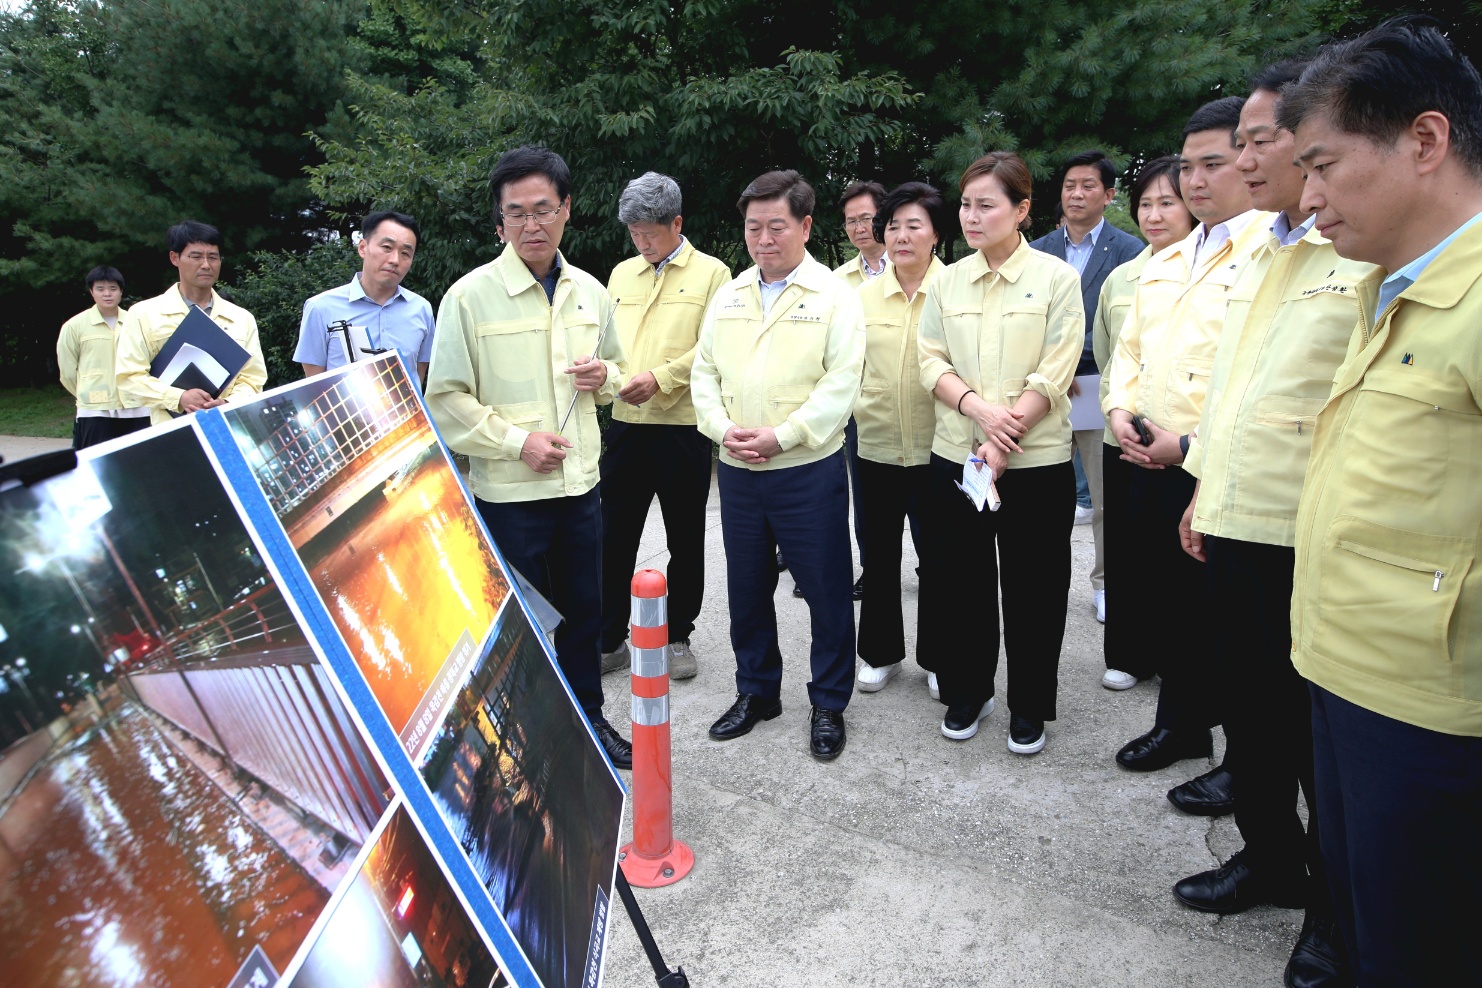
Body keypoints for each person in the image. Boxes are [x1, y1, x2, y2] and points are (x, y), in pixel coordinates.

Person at [1278, 18, 1482, 983]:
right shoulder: (1390, 290)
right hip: (1343, 674)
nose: (1306, 197)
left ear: (1426, 141)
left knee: (1421, 950)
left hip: (1432, 714)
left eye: (1322, 165)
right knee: (1368, 930)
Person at [1168, 62, 1375, 987]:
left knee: (1319, 743)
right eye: (1239, 142)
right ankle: (1268, 858)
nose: (1246, 159)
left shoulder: (1359, 250)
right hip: (1237, 520)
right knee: (1252, 715)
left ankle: (1333, 918)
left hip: (1313, 535)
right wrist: (1205, 492)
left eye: (1260, 140)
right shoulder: (1264, 248)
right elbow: (1237, 391)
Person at [425, 145, 633, 770]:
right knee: (519, 626)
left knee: (584, 616)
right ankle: (524, 741)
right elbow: (446, 399)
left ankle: (589, 724)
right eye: (516, 214)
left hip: (581, 489)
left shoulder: (592, 293)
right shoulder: (468, 298)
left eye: (544, 209)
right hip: (510, 496)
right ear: (499, 225)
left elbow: (618, 368)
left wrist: (608, 375)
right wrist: (519, 443)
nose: (531, 225)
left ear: (566, 211)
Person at [1102, 98, 1268, 774]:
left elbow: (1255, 374)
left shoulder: (1268, 251)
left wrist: (1190, 448)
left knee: (1232, 621)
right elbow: (1129, 351)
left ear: (1250, 161)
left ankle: (1243, 760)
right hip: (1145, 455)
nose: (1197, 182)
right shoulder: (1167, 260)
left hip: (1217, 464)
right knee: (1170, 607)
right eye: (1188, 167)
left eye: (1213, 165)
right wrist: (1118, 413)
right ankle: (1182, 726)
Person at [691, 169, 865, 761]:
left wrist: (783, 436)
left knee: (826, 588)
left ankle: (829, 702)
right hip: (739, 470)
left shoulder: (834, 296)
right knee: (746, 588)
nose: (763, 238)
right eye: (753, 227)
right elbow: (704, 374)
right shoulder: (731, 293)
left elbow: (841, 384)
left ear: (806, 225)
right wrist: (722, 429)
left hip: (805, 470)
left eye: (776, 226)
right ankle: (758, 691)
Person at [917, 152, 1083, 755]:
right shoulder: (946, 281)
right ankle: (970, 689)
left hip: (1034, 466)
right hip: (958, 461)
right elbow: (929, 361)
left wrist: (1003, 436)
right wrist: (980, 413)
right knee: (961, 582)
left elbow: (1055, 371)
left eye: (986, 204)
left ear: (1022, 210)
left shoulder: (1057, 280)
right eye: (965, 204)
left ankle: (1029, 704)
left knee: (1034, 588)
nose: (971, 215)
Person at [599, 172, 731, 681]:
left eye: (650, 232)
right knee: (615, 535)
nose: (642, 242)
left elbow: (714, 347)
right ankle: (610, 637)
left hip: (682, 426)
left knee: (685, 536)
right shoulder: (620, 275)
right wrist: (611, 379)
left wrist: (663, 378)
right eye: (634, 233)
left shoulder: (714, 275)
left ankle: (678, 635)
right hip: (627, 424)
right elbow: (605, 343)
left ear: (677, 223)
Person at [1029, 151, 1146, 624]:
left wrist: (1075, 349)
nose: (1076, 194)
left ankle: (1104, 582)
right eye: (1069, 185)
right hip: (1045, 386)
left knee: (1102, 497)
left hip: (1097, 381)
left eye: (1088, 186)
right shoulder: (1036, 249)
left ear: (1109, 194)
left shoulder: (1129, 249)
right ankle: (1040, 580)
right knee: (1045, 492)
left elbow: (1129, 326)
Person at [851, 182, 950, 696]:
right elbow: (844, 370)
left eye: (914, 225)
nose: (901, 235)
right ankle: (880, 652)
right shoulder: (861, 299)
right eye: (893, 225)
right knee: (880, 555)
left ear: (936, 233)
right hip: (876, 447)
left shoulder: (956, 290)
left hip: (941, 450)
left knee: (939, 557)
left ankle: (938, 656)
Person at [1093, 157, 1196, 650]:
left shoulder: (1219, 272)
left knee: (1182, 557)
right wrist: (1119, 413)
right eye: (1146, 204)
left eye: (1167, 203)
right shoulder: (1121, 279)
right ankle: (1129, 651)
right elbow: (1112, 353)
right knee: (1129, 548)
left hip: (1185, 440)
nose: (1154, 215)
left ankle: (1179, 663)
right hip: (1126, 435)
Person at [115, 221, 267, 424]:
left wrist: (229, 402)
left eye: (213, 257)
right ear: (174, 258)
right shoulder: (144, 314)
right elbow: (129, 378)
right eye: (196, 256)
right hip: (170, 430)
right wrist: (179, 398)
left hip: (226, 426)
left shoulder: (241, 318)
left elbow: (253, 379)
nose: (206, 265)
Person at [294, 210, 435, 384]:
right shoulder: (321, 308)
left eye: (405, 253)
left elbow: (418, 373)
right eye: (387, 248)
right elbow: (315, 384)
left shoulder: (421, 309)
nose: (395, 260)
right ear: (362, 248)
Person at [829, 180, 887, 601]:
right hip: (858, 403)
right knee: (866, 498)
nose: (859, 227)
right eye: (851, 221)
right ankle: (873, 567)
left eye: (866, 217)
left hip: (916, 399)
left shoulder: (922, 268)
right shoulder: (837, 280)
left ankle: (931, 561)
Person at [56, 265, 150, 448]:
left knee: (138, 465)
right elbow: (67, 373)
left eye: (113, 288)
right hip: (95, 411)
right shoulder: (74, 326)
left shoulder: (137, 322)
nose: (107, 294)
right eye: (100, 289)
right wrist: (87, 393)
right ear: (91, 292)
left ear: (121, 292)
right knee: (99, 467)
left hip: (137, 408)